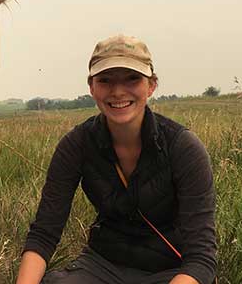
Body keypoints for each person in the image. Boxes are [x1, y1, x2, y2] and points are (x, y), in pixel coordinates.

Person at [16, 35, 217, 284]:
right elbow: (44, 234)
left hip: (171, 271)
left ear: (151, 85)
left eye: (132, 78)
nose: (118, 91)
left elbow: (201, 257)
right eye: (106, 80)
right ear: (92, 87)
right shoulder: (76, 145)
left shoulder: (184, 148)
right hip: (101, 266)